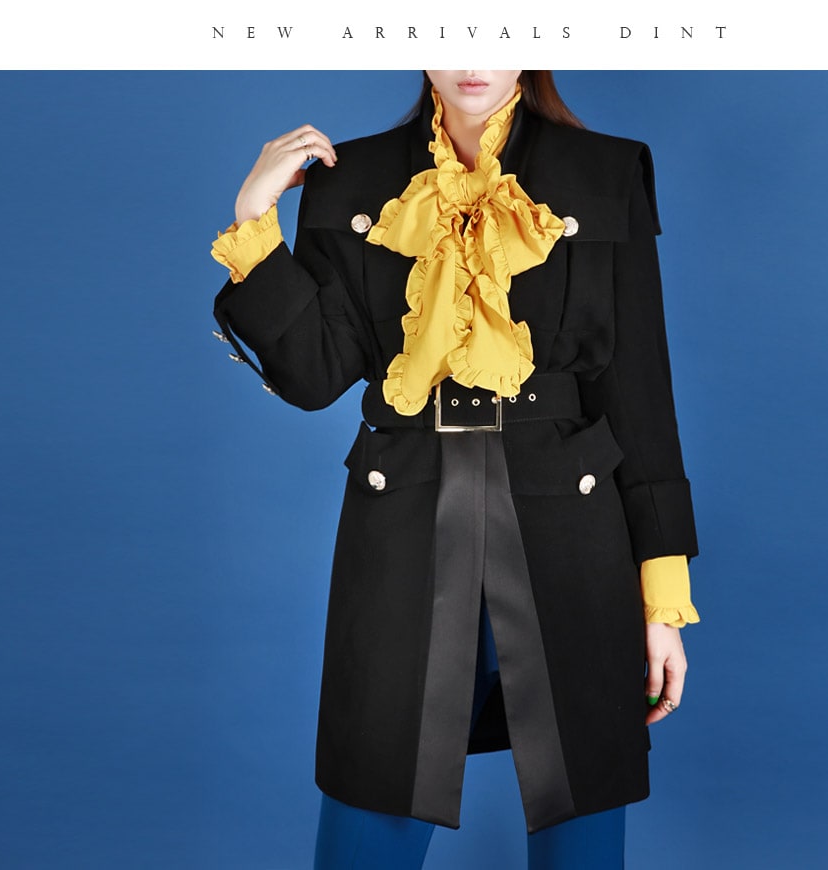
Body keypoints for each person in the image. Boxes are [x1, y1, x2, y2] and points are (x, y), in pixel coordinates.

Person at [210, 71, 700, 869]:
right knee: (367, 823)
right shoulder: (353, 179)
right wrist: (253, 218)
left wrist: (663, 601)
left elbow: (638, 396)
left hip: (573, 537)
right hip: (401, 529)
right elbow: (314, 375)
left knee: (581, 829)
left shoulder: (606, 173)